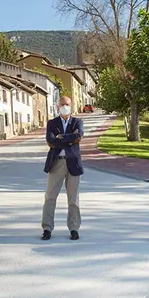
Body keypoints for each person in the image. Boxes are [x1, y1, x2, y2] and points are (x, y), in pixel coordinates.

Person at [41, 96, 84, 241]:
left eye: (67, 104)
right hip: (56, 163)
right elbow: (51, 141)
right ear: (58, 107)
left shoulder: (77, 121)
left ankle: (74, 228)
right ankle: (47, 228)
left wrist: (61, 137)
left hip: (73, 163)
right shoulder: (52, 123)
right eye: (62, 104)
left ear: (71, 106)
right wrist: (69, 140)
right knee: (50, 197)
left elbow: (79, 136)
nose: (65, 106)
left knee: (73, 199)